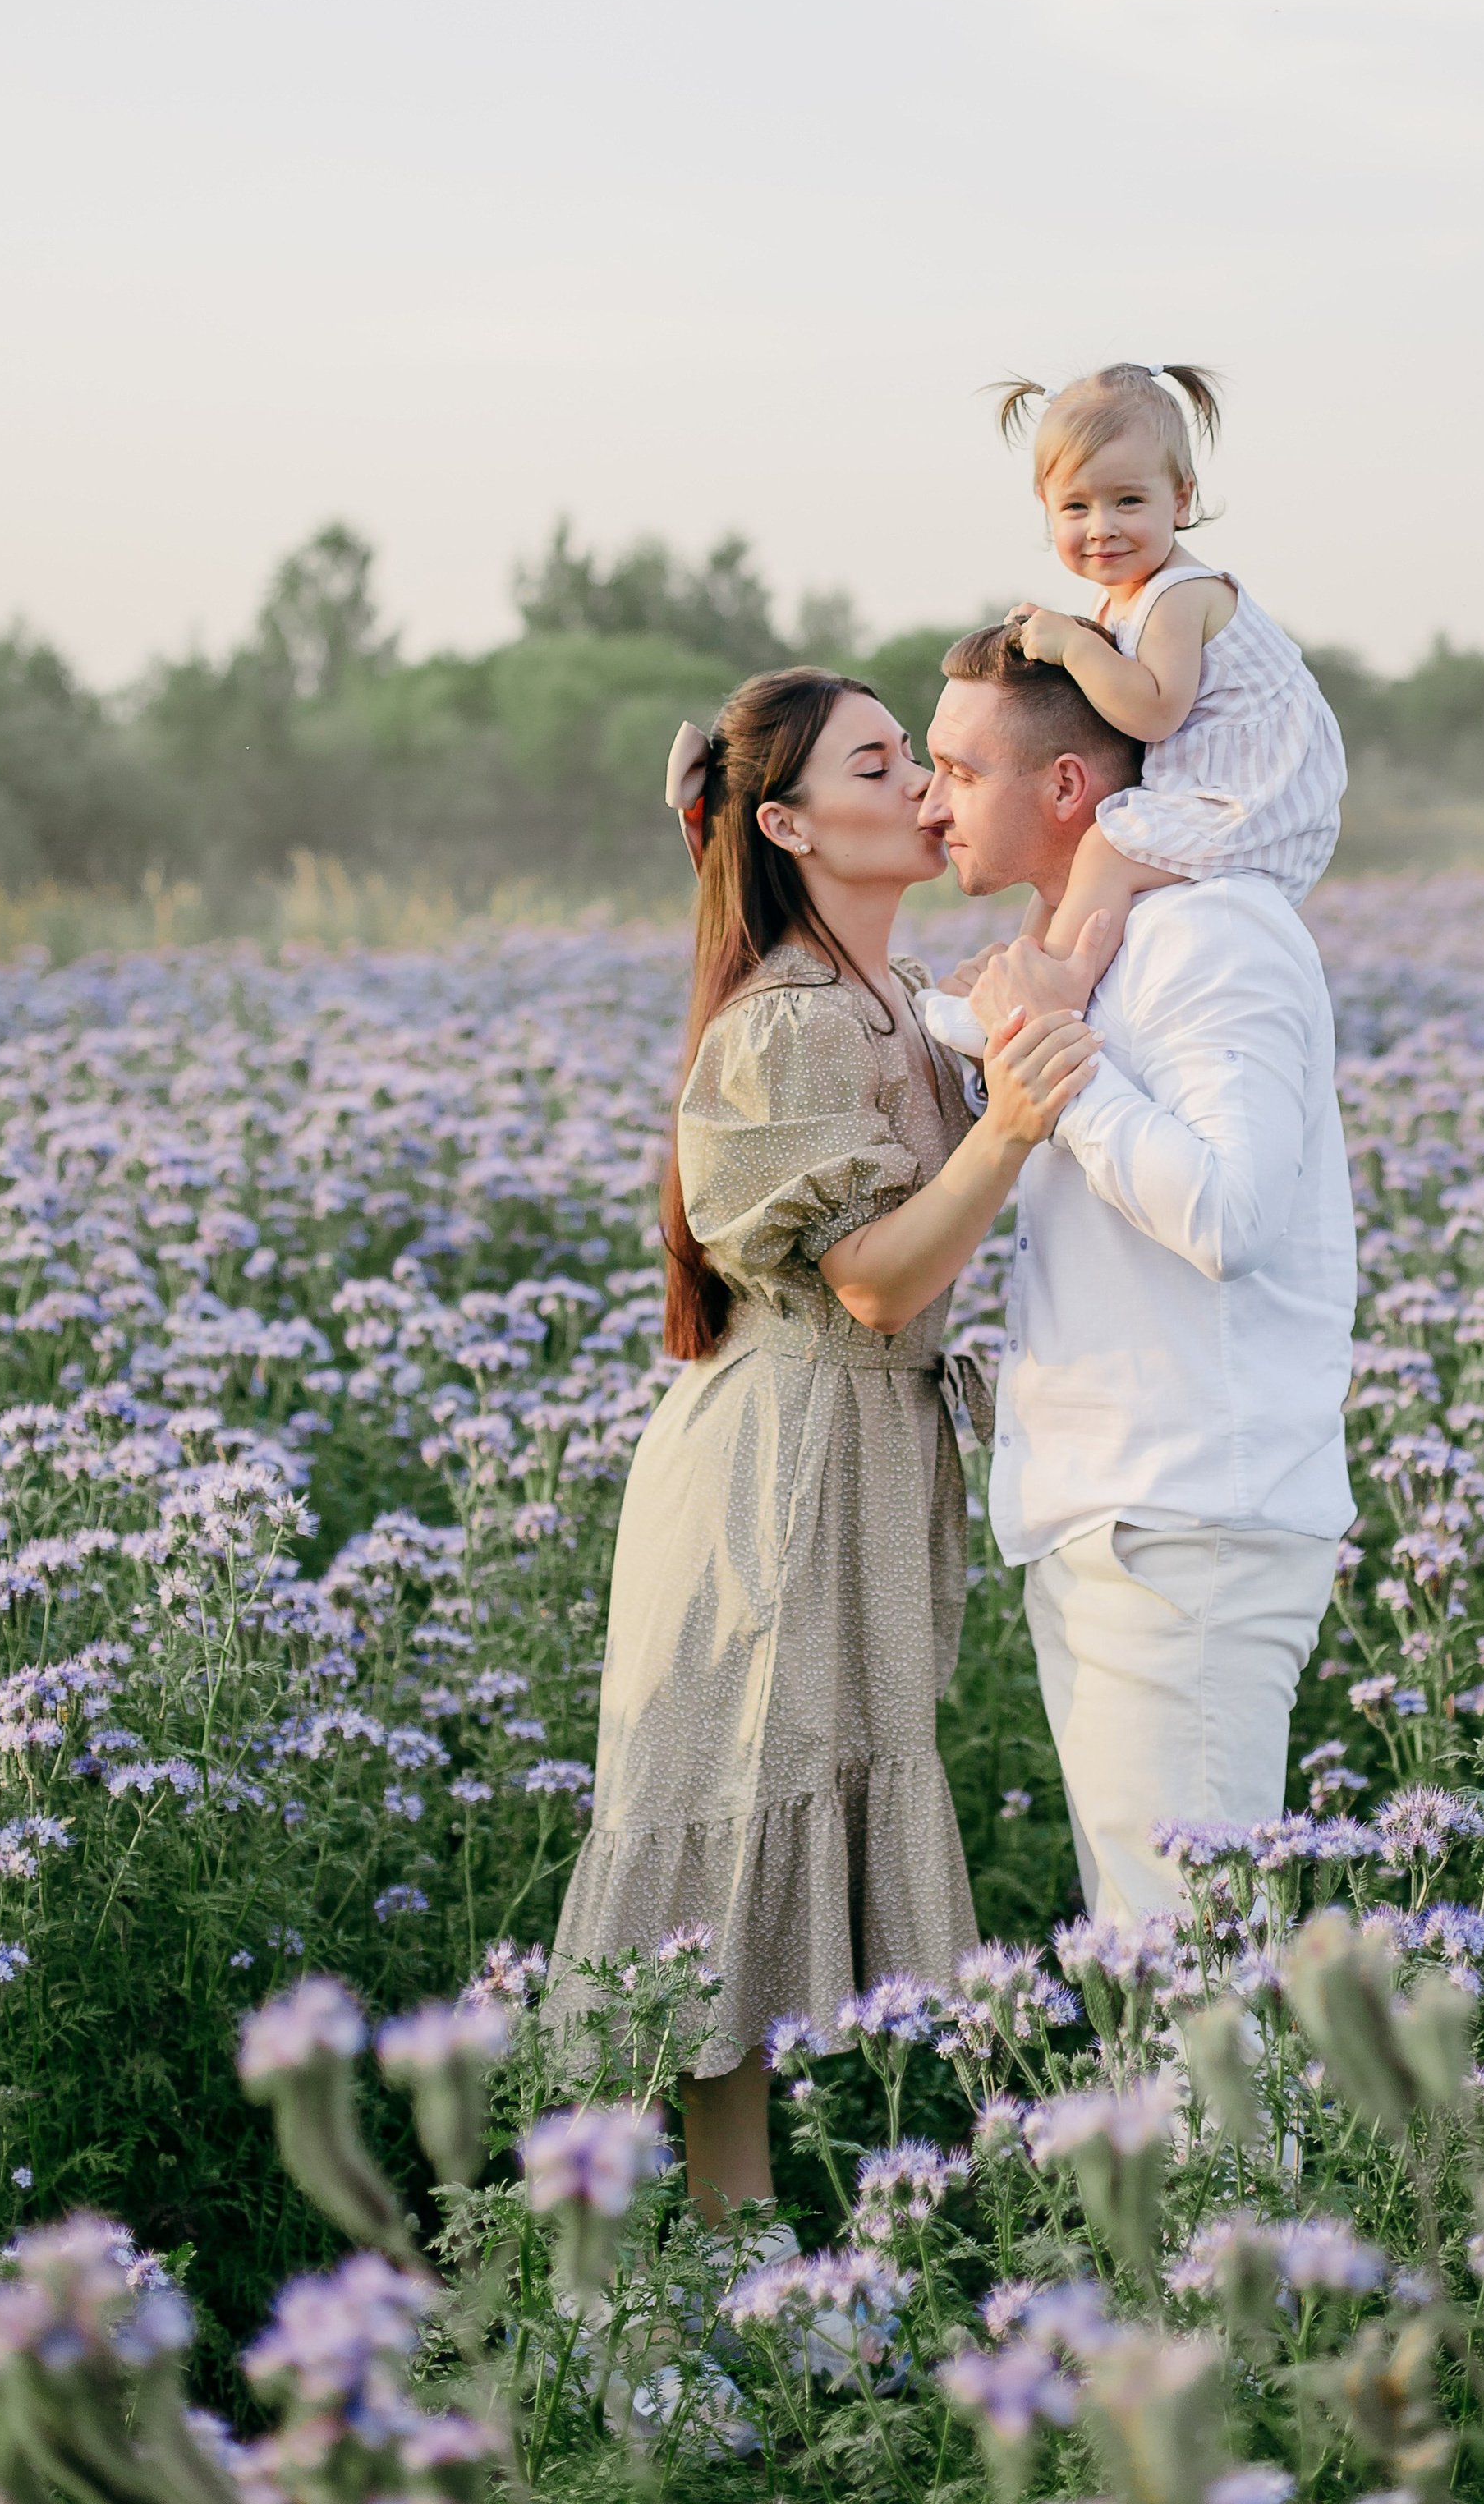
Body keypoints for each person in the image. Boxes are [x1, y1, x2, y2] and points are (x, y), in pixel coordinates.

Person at [550, 668, 1098, 2222]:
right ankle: (689, 2287)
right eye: (883, 761)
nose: (928, 781)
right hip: (774, 1482)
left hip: (852, 1466)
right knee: (734, 1855)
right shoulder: (787, 1025)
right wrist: (1008, 1127)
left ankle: (735, 2279)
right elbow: (870, 1283)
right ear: (789, 823)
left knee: (773, 1860)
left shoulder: (886, 999)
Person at [918, 627, 1358, 1926]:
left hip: (1188, 1531)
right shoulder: (1098, 957)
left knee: (1195, 1992)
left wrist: (1053, 1058)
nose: (931, 799)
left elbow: (1228, 1215)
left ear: (1066, 791)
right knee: (1152, 1969)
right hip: (1126, 1524)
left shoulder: (1213, 937)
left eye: (956, 767)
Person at [972, 361, 1346, 998]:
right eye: (1076, 506)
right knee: (1078, 849)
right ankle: (1020, 968)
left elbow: (1154, 712)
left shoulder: (1178, 595)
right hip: (1206, 787)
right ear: (1047, 509)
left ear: (1181, 498)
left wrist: (1072, 647)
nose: (1102, 526)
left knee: (1104, 853)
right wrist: (1062, 634)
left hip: (1254, 801)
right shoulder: (1123, 595)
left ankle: (1056, 991)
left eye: (1128, 501)